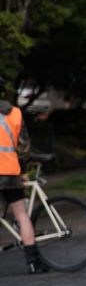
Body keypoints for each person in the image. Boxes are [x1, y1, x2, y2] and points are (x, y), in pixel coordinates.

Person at [0, 83, 48, 273]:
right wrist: (21, 166)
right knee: (21, 214)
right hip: (11, 173)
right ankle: (33, 262)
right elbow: (24, 148)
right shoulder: (15, 114)